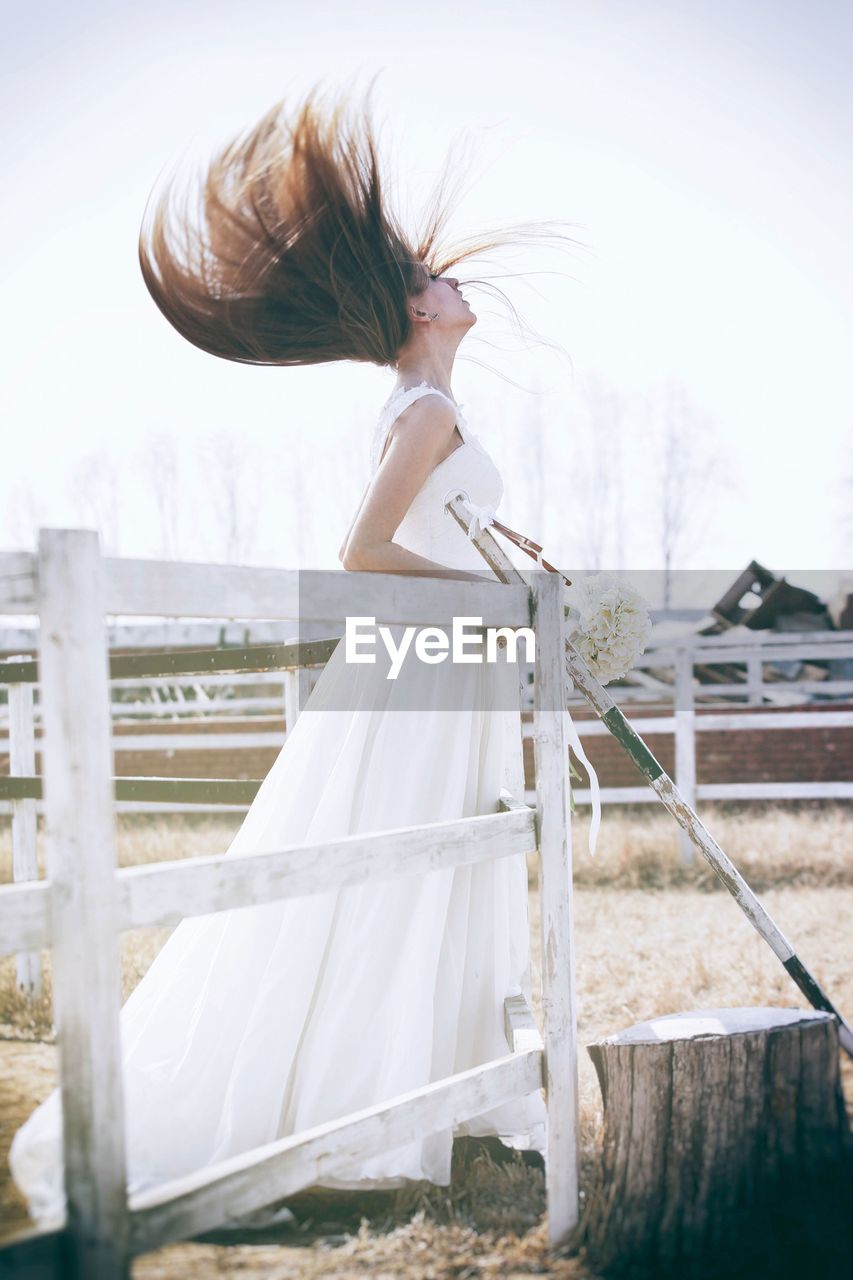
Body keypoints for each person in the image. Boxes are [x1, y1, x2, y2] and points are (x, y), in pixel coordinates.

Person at [8, 78, 600, 1231]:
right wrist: (493, 597)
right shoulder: (424, 411)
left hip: (437, 660)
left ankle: (415, 1094)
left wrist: (506, 574)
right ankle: (338, 1106)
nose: (451, 279)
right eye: (437, 279)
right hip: (423, 662)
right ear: (421, 315)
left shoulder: (423, 402)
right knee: (389, 872)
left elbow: (415, 535)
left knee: (425, 871)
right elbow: (364, 548)